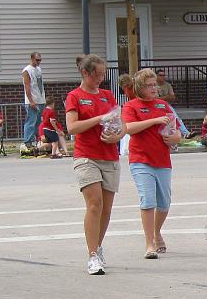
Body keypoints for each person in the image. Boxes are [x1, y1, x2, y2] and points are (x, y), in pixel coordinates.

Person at [66, 54, 127, 275]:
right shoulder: (75, 96)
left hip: (109, 155)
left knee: (106, 209)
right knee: (95, 203)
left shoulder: (108, 95)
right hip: (86, 156)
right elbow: (72, 128)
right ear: (85, 73)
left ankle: (98, 247)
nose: (102, 78)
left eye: (103, 74)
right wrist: (98, 119)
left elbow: (122, 123)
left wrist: (117, 134)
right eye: (98, 74)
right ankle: (92, 256)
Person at [122, 68, 181, 259]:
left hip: (162, 160)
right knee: (148, 200)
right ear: (140, 88)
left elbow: (177, 131)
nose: (154, 88)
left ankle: (156, 232)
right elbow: (129, 128)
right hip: (140, 159)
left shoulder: (163, 105)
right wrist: (154, 120)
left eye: (155, 84)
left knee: (164, 203)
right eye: (150, 85)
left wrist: (174, 138)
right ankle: (149, 244)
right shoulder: (131, 106)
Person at [156, 69, 197, 139]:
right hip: (156, 105)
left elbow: (173, 97)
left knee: (176, 117)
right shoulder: (154, 85)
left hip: (166, 105)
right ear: (156, 76)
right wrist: (167, 97)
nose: (162, 77)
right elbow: (155, 99)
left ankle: (186, 134)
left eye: (163, 75)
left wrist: (163, 98)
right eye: (160, 75)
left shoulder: (167, 85)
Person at [22, 52, 46, 150]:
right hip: (32, 100)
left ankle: (36, 140)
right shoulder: (26, 71)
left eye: (40, 60)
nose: (39, 62)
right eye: (37, 60)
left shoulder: (38, 69)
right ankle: (28, 141)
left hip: (41, 99)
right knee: (31, 121)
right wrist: (31, 101)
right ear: (32, 59)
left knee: (38, 122)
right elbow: (27, 87)